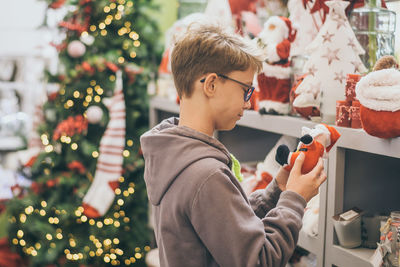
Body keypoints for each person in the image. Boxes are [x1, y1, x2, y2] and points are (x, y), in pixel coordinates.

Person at [140, 23, 327, 267]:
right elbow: (261, 260)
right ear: (211, 85)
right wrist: (295, 199)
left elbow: (222, 227)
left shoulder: (174, 153)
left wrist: (277, 191)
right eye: (246, 90)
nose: (248, 103)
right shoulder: (206, 175)